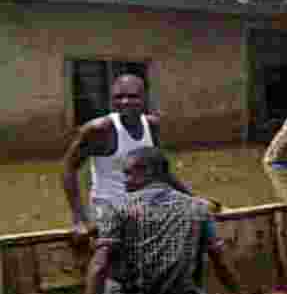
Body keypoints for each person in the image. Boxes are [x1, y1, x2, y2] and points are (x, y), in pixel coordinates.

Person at [51, 148, 270, 294]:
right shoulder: (197, 207)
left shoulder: (118, 208)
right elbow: (220, 260)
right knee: (191, 281)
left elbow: (99, 266)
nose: (124, 181)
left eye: (128, 174)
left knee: (109, 280)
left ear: (148, 172)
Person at [62, 73, 194, 244]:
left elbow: (161, 172)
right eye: (119, 97)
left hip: (145, 208)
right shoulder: (100, 129)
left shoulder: (152, 126)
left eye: (132, 96)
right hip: (109, 213)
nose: (125, 102)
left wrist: (192, 199)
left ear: (144, 98)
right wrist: (79, 219)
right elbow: (68, 168)